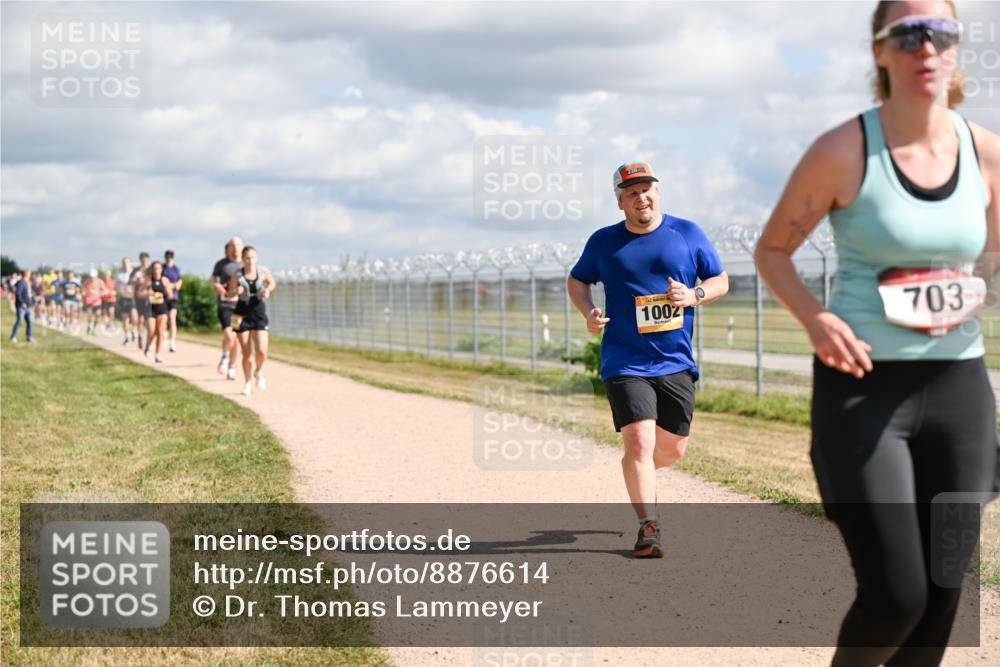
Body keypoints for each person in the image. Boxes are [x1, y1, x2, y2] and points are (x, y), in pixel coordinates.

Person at [755, 2, 999, 664]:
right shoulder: (843, 151)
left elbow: (997, 262)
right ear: (880, 51)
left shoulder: (985, 154)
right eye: (909, 34)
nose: (927, 47)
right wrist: (816, 316)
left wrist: (978, 288)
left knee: (945, 595)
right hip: (863, 390)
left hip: (960, 390)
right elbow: (773, 250)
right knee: (897, 594)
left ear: (955, 50)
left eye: (941, 33)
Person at [567, 161, 729, 558]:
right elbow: (577, 280)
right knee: (639, 441)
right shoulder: (604, 242)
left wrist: (695, 296)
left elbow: (719, 280)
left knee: (671, 451)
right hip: (624, 361)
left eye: (647, 189)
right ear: (620, 202)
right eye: (632, 192)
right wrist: (588, 312)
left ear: (657, 192)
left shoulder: (687, 233)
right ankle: (648, 527)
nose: (642, 197)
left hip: (674, 360)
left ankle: (637, 472)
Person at [226, 245, 276, 396]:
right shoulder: (237, 275)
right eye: (247, 258)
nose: (250, 261)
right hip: (241, 315)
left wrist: (268, 290)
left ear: (257, 258)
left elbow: (272, 283)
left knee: (262, 351)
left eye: (253, 257)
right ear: (243, 259)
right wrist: (236, 291)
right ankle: (247, 383)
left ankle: (258, 371)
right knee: (247, 353)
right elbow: (229, 294)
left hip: (259, 314)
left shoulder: (263, 272)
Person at [212, 237, 243, 380]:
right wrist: (216, 286)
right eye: (233, 245)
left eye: (238, 245)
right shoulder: (221, 264)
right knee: (229, 334)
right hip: (225, 305)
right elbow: (213, 278)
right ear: (229, 248)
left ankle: (232, 366)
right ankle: (225, 357)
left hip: (239, 306)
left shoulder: (245, 264)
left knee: (235, 337)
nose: (235, 248)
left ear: (242, 247)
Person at [144, 261, 175, 363]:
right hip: (150, 309)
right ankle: (148, 346)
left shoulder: (165, 280)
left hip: (162, 308)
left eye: (159, 268)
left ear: (161, 270)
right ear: (152, 270)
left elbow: (171, 295)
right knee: (152, 331)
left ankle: (157, 354)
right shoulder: (148, 281)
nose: (157, 270)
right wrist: (147, 294)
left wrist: (167, 291)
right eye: (155, 268)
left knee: (161, 332)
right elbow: (139, 293)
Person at [131, 252, 151, 351]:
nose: (144, 262)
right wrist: (137, 282)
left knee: (149, 320)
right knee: (140, 319)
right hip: (138, 297)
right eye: (143, 260)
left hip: (149, 297)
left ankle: (149, 339)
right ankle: (140, 337)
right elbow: (129, 282)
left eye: (146, 260)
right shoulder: (135, 270)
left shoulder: (151, 270)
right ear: (140, 260)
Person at [163, 250, 183, 352]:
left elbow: (179, 283)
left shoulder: (176, 269)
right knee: (164, 319)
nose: (169, 258)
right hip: (163, 297)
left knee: (172, 318)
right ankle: (164, 333)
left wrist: (173, 286)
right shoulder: (163, 268)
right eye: (167, 257)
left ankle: (172, 342)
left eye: (170, 257)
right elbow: (164, 282)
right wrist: (171, 286)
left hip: (174, 298)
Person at [10, 269, 34, 343]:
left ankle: (29, 336)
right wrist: (22, 302)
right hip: (21, 306)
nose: (30, 275)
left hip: (28, 306)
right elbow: (18, 294)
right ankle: (13, 336)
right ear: (26, 274)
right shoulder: (21, 283)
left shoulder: (27, 283)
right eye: (29, 273)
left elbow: (28, 295)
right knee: (19, 321)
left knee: (29, 322)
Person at [116, 257, 136, 345]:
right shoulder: (120, 275)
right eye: (124, 262)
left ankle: (134, 330)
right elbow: (117, 287)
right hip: (124, 298)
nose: (125, 264)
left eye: (127, 262)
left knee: (135, 317)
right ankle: (127, 336)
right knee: (125, 318)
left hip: (133, 298)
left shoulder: (135, 273)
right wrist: (121, 290)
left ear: (130, 263)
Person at [83, 270, 104, 336]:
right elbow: (83, 288)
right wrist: (83, 292)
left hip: (97, 302)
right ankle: (89, 327)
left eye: (93, 276)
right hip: (89, 301)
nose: (92, 278)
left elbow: (104, 290)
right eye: (91, 276)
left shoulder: (100, 282)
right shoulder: (87, 281)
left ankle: (93, 329)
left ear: (97, 275)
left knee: (98, 316)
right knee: (90, 316)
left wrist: (99, 294)